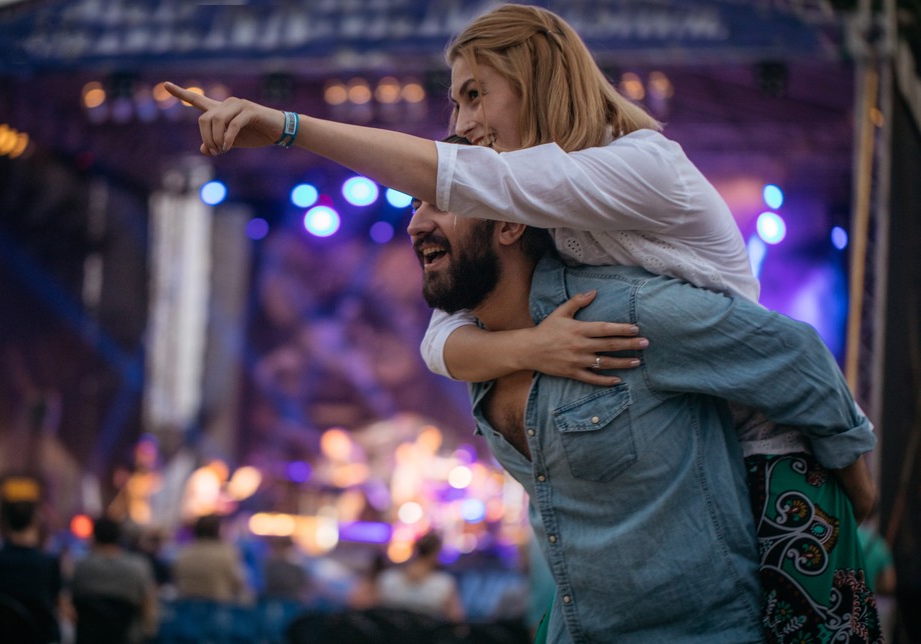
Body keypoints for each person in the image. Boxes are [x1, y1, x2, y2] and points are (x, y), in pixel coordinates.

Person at [163, 4, 877, 638]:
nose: (462, 122)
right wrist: (530, 343)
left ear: (534, 81)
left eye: (475, 95)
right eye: (455, 103)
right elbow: (440, 336)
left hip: (777, 455)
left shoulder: (638, 169)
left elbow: (794, 357)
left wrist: (286, 125)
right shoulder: (550, 235)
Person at [405, 196, 877, 641]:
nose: (415, 224)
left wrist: (855, 486)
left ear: (508, 223)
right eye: (414, 205)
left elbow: (798, 355)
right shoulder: (475, 356)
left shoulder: (621, 313)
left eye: (441, 204)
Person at [0, 494, 63, 644]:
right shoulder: (48, 562)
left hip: (1, 635)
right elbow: (56, 603)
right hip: (40, 636)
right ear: (34, 522)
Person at [70, 516, 158, 644]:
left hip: (89, 637)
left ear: (93, 537)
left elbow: (72, 603)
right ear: (120, 537)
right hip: (127, 637)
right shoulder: (138, 566)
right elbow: (148, 603)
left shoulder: (82, 567)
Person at [376, 531, 464, 623]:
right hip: (428, 635)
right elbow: (456, 619)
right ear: (436, 554)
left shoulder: (388, 578)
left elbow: (368, 609)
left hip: (390, 635)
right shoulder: (443, 583)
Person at [172, 513, 250, 604]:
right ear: (218, 530)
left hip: (187, 610)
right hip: (218, 610)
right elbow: (239, 583)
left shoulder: (184, 553)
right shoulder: (227, 553)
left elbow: (176, 581)